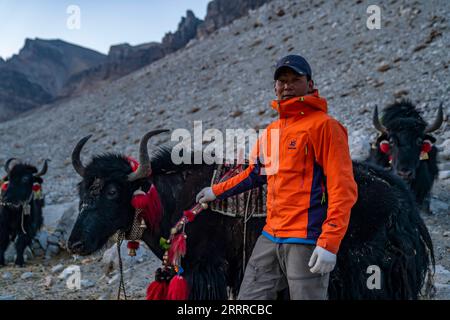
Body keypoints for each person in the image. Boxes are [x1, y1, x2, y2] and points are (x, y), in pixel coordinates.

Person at [196, 54, 358, 300]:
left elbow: (342, 188)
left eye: (295, 79)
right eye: (282, 81)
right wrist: (216, 191)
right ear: (275, 86)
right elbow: (253, 174)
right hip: (270, 235)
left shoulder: (325, 126)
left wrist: (329, 242)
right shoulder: (272, 131)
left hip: (305, 238)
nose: (287, 86)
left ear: (310, 84)